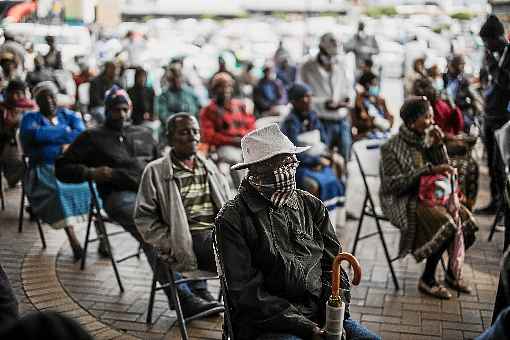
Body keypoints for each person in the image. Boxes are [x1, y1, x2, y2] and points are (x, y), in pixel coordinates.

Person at [215, 123, 381, 340]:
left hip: (320, 312)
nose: (293, 165)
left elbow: (334, 267)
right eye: (283, 161)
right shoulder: (232, 219)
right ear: (258, 169)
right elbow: (247, 295)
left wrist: (334, 314)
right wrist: (306, 328)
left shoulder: (311, 206)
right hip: (268, 323)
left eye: (292, 160)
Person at [134, 113, 232, 318]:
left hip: (214, 236)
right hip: (187, 240)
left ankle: (202, 291)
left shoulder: (209, 167)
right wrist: (169, 242)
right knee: (243, 256)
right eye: (184, 132)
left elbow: (229, 206)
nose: (193, 136)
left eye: (195, 131)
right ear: (170, 138)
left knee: (254, 246)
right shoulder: (155, 171)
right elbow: (144, 218)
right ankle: (241, 310)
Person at [379, 97, 478, 299]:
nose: (432, 120)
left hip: (432, 195)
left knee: (466, 222)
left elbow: (445, 168)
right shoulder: (391, 147)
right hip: (403, 199)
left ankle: (451, 273)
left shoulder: (426, 138)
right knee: (445, 224)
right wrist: (428, 170)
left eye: (432, 115)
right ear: (411, 122)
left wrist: (438, 145)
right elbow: (393, 185)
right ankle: (428, 279)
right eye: (427, 116)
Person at [19, 81, 89, 260]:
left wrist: (48, 135)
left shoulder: (68, 114)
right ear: (37, 101)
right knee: (59, 193)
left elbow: (81, 134)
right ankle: (74, 241)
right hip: (42, 170)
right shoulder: (29, 118)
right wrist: (64, 136)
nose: (49, 101)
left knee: (92, 186)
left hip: (67, 166)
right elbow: (34, 137)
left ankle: (102, 239)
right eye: (43, 98)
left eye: (52, 96)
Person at [281, 83, 345, 216]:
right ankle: (313, 219)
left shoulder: (312, 116)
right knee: (314, 185)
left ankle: (333, 216)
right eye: (305, 97)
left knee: (338, 164)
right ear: (295, 101)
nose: (309, 100)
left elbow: (323, 140)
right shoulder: (290, 122)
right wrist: (316, 161)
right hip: (299, 165)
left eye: (310, 96)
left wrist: (328, 155)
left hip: (316, 158)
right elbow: (292, 152)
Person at [414, 78, 479, 210]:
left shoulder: (440, 105)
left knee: (470, 167)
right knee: (461, 169)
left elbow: (456, 124)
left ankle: (464, 205)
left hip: (440, 148)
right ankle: (457, 203)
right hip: (428, 155)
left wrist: (453, 107)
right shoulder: (419, 111)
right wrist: (449, 138)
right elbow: (426, 138)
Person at [300, 33, 354, 161]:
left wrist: (347, 99)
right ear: (320, 48)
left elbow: (350, 88)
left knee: (344, 157)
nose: (331, 58)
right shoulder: (307, 67)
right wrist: (323, 103)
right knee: (323, 158)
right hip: (320, 121)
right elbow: (302, 97)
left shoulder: (343, 63)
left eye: (334, 55)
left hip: (342, 120)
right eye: (328, 54)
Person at [477, 14, 510, 214]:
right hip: (490, 115)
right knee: (490, 163)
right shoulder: (495, 54)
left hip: (503, 119)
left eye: (487, 41)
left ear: (497, 37)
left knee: (500, 166)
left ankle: (503, 207)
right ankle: (494, 201)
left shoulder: (508, 54)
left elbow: (506, 84)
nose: (486, 46)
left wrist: (492, 66)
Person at [200, 72, 255, 185]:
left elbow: (251, 125)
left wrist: (245, 137)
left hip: (243, 142)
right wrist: (232, 140)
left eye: (228, 86)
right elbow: (209, 136)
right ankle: (244, 193)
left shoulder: (239, 106)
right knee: (236, 159)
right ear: (214, 90)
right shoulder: (208, 110)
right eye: (221, 86)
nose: (225, 89)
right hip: (224, 146)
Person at [0, 79, 36, 188]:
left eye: (20, 93)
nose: (18, 97)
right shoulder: (2, 109)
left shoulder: (30, 107)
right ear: (8, 93)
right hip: (7, 146)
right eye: (15, 93)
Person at [155, 64, 201, 138]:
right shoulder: (163, 96)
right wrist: (183, 124)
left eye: (178, 77)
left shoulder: (190, 93)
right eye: (173, 79)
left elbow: (199, 109)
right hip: (171, 135)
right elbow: (164, 116)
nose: (176, 81)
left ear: (182, 78)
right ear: (168, 80)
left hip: (191, 132)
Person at [443, 54, 480, 132]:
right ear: (454, 64)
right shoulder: (445, 77)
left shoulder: (464, 80)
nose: (463, 67)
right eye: (461, 64)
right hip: (446, 109)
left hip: (460, 109)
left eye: (464, 64)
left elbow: (473, 97)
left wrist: (475, 110)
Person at [353, 72, 393, 140]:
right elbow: (359, 123)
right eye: (374, 83)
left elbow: (389, 118)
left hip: (384, 135)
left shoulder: (380, 100)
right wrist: (372, 121)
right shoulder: (359, 100)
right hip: (367, 137)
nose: (376, 85)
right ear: (367, 85)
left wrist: (388, 122)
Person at [127, 67, 159, 140]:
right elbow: (130, 108)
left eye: (143, 77)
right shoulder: (130, 91)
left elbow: (153, 107)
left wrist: (151, 115)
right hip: (135, 119)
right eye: (140, 76)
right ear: (136, 78)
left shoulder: (150, 90)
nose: (142, 79)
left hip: (148, 119)